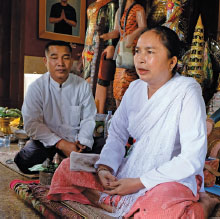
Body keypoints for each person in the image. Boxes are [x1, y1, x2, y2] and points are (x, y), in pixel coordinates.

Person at [47, 27, 219, 218]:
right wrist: (106, 168)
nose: (140, 59)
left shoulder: (187, 91)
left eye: (150, 52)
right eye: (137, 51)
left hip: (173, 177)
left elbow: (191, 159)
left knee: (157, 209)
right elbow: (117, 135)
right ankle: (123, 203)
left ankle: (205, 204)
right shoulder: (135, 88)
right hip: (134, 166)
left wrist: (139, 183)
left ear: (172, 62)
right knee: (68, 167)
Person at [14, 40, 96, 174]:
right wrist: (61, 144)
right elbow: (31, 124)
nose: (60, 63)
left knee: (102, 154)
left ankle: (70, 160)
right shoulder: (37, 87)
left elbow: (89, 118)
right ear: (45, 61)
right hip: (47, 142)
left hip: (75, 141)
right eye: (54, 58)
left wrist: (82, 142)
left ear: (71, 61)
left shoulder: (82, 86)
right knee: (25, 162)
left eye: (65, 58)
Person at [100, 0, 147, 108]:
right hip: (121, 49)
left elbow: (143, 27)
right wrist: (105, 36)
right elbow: (117, 31)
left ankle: (129, 113)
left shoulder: (138, 8)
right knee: (118, 84)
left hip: (132, 49)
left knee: (129, 81)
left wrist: (132, 36)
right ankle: (119, 112)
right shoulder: (120, 11)